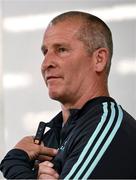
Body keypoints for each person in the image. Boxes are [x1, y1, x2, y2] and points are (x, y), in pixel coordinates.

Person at [0, 11, 136, 179]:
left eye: (62, 50)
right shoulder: (50, 137)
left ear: (99, 59)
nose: (46, 63)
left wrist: (15, 161)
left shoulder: (106, 126)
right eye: (45, 52)